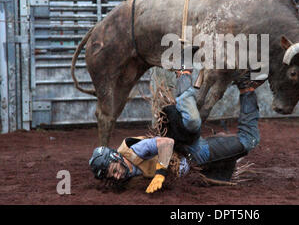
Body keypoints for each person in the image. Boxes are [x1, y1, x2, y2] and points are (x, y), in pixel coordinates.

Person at [89, 46, 265, 193]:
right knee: (222, 150)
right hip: (195, 166)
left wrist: (160, 173)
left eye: (114, 171)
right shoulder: (124, 177)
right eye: (110, 177)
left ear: (115, 157)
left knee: (248, 141)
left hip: (192, 152)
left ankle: (244, 88)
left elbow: (165, 143)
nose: (117, 176)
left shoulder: (135, 150)